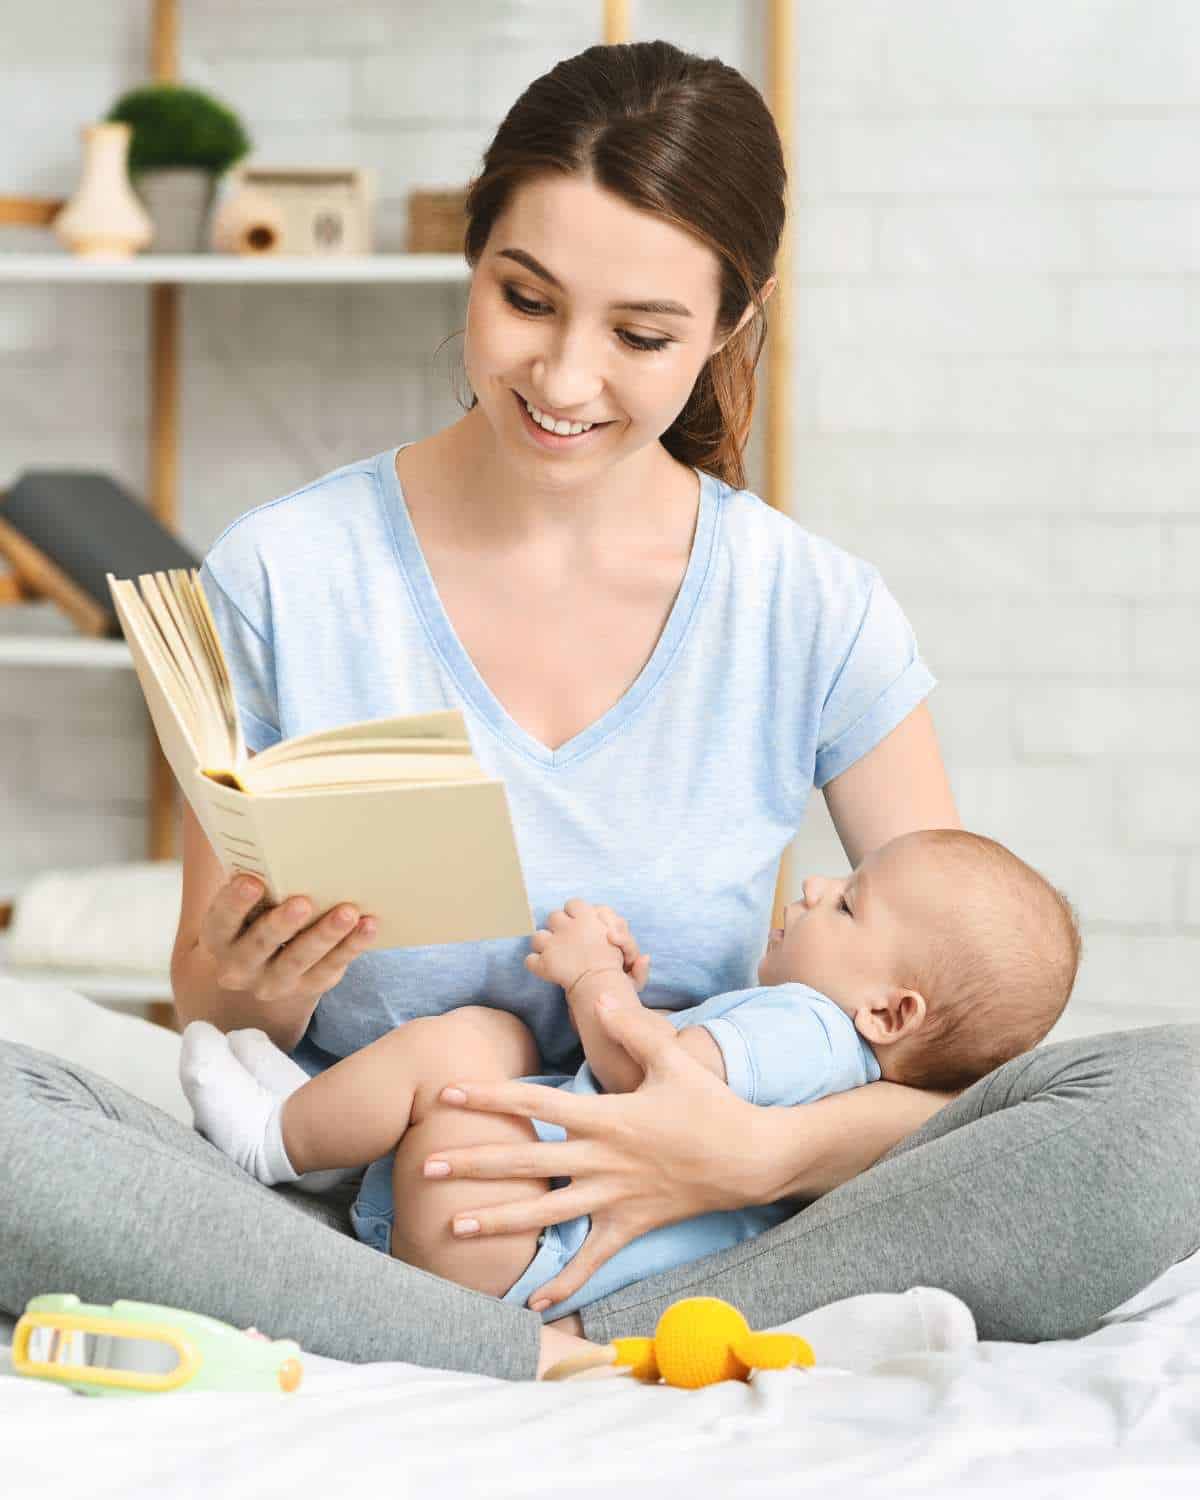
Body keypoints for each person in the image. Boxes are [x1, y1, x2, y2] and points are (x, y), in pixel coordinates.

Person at [2, 40, 1198, 1382]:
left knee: (1174, 1108)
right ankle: (494, 1342)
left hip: (713, 1235)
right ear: (473, 258)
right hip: (352, 1214)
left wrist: (753, 1152)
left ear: (728, 331)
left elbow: (948, 1056)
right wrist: (233, 992)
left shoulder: (807, 609)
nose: (566, 381)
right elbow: (217, 1010)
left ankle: (556, 1336)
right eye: (526, 300)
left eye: (641, 337)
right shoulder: (286, 574)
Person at [176, 827, 1083, 1323]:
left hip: (513, 1234)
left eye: (846, 903)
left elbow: (643, 1081)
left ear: (889, 1013)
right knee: (487, 1047)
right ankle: (323, 1128)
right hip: (510, 1249)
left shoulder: (804, 1027)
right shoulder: (826, 1058)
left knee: (467, 1051)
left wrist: (591, 977)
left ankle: (273, 1143)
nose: (811, 889)